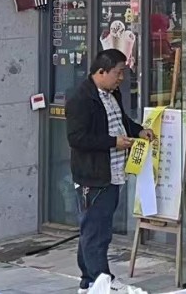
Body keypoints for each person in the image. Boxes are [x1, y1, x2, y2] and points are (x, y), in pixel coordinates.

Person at [67, 49, 155, 294]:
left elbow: (120, 121)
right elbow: (77, 138)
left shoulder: (112, 93)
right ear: (101, 72)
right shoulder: (80, 98)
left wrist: (138, 130)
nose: (121, 79)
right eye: (118, 73)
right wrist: (113, 142)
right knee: (96, 232)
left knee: (95, 229)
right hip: (93, 175)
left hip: (114, 171)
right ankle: (101, 279)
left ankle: (89, 282)